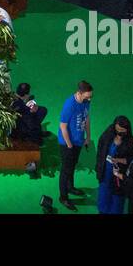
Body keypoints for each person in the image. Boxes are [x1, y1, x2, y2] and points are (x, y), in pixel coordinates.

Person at [57, 81, 93, 211]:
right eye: (87, 96)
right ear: (79, 93)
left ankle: (70, 187)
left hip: (78, 140)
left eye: (90, 96)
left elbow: (86, 118)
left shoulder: (86, 102)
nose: (89, 99)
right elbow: (63, 126)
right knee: (66, 170)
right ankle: (63, 197)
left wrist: (88, 137)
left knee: (72, 165)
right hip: (67, 143)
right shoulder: (69, 105)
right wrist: (69, 145)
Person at [94, 116, 133, 214]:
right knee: (104, 194)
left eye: (122, 131)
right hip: (105, 171)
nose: (119, 133)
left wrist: (120, 160)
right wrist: (98, 167)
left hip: (118, 176)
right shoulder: (108, 133)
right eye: (118, 130)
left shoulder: (130, 142)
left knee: (117, 200)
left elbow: (132, 160)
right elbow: (100, 151)